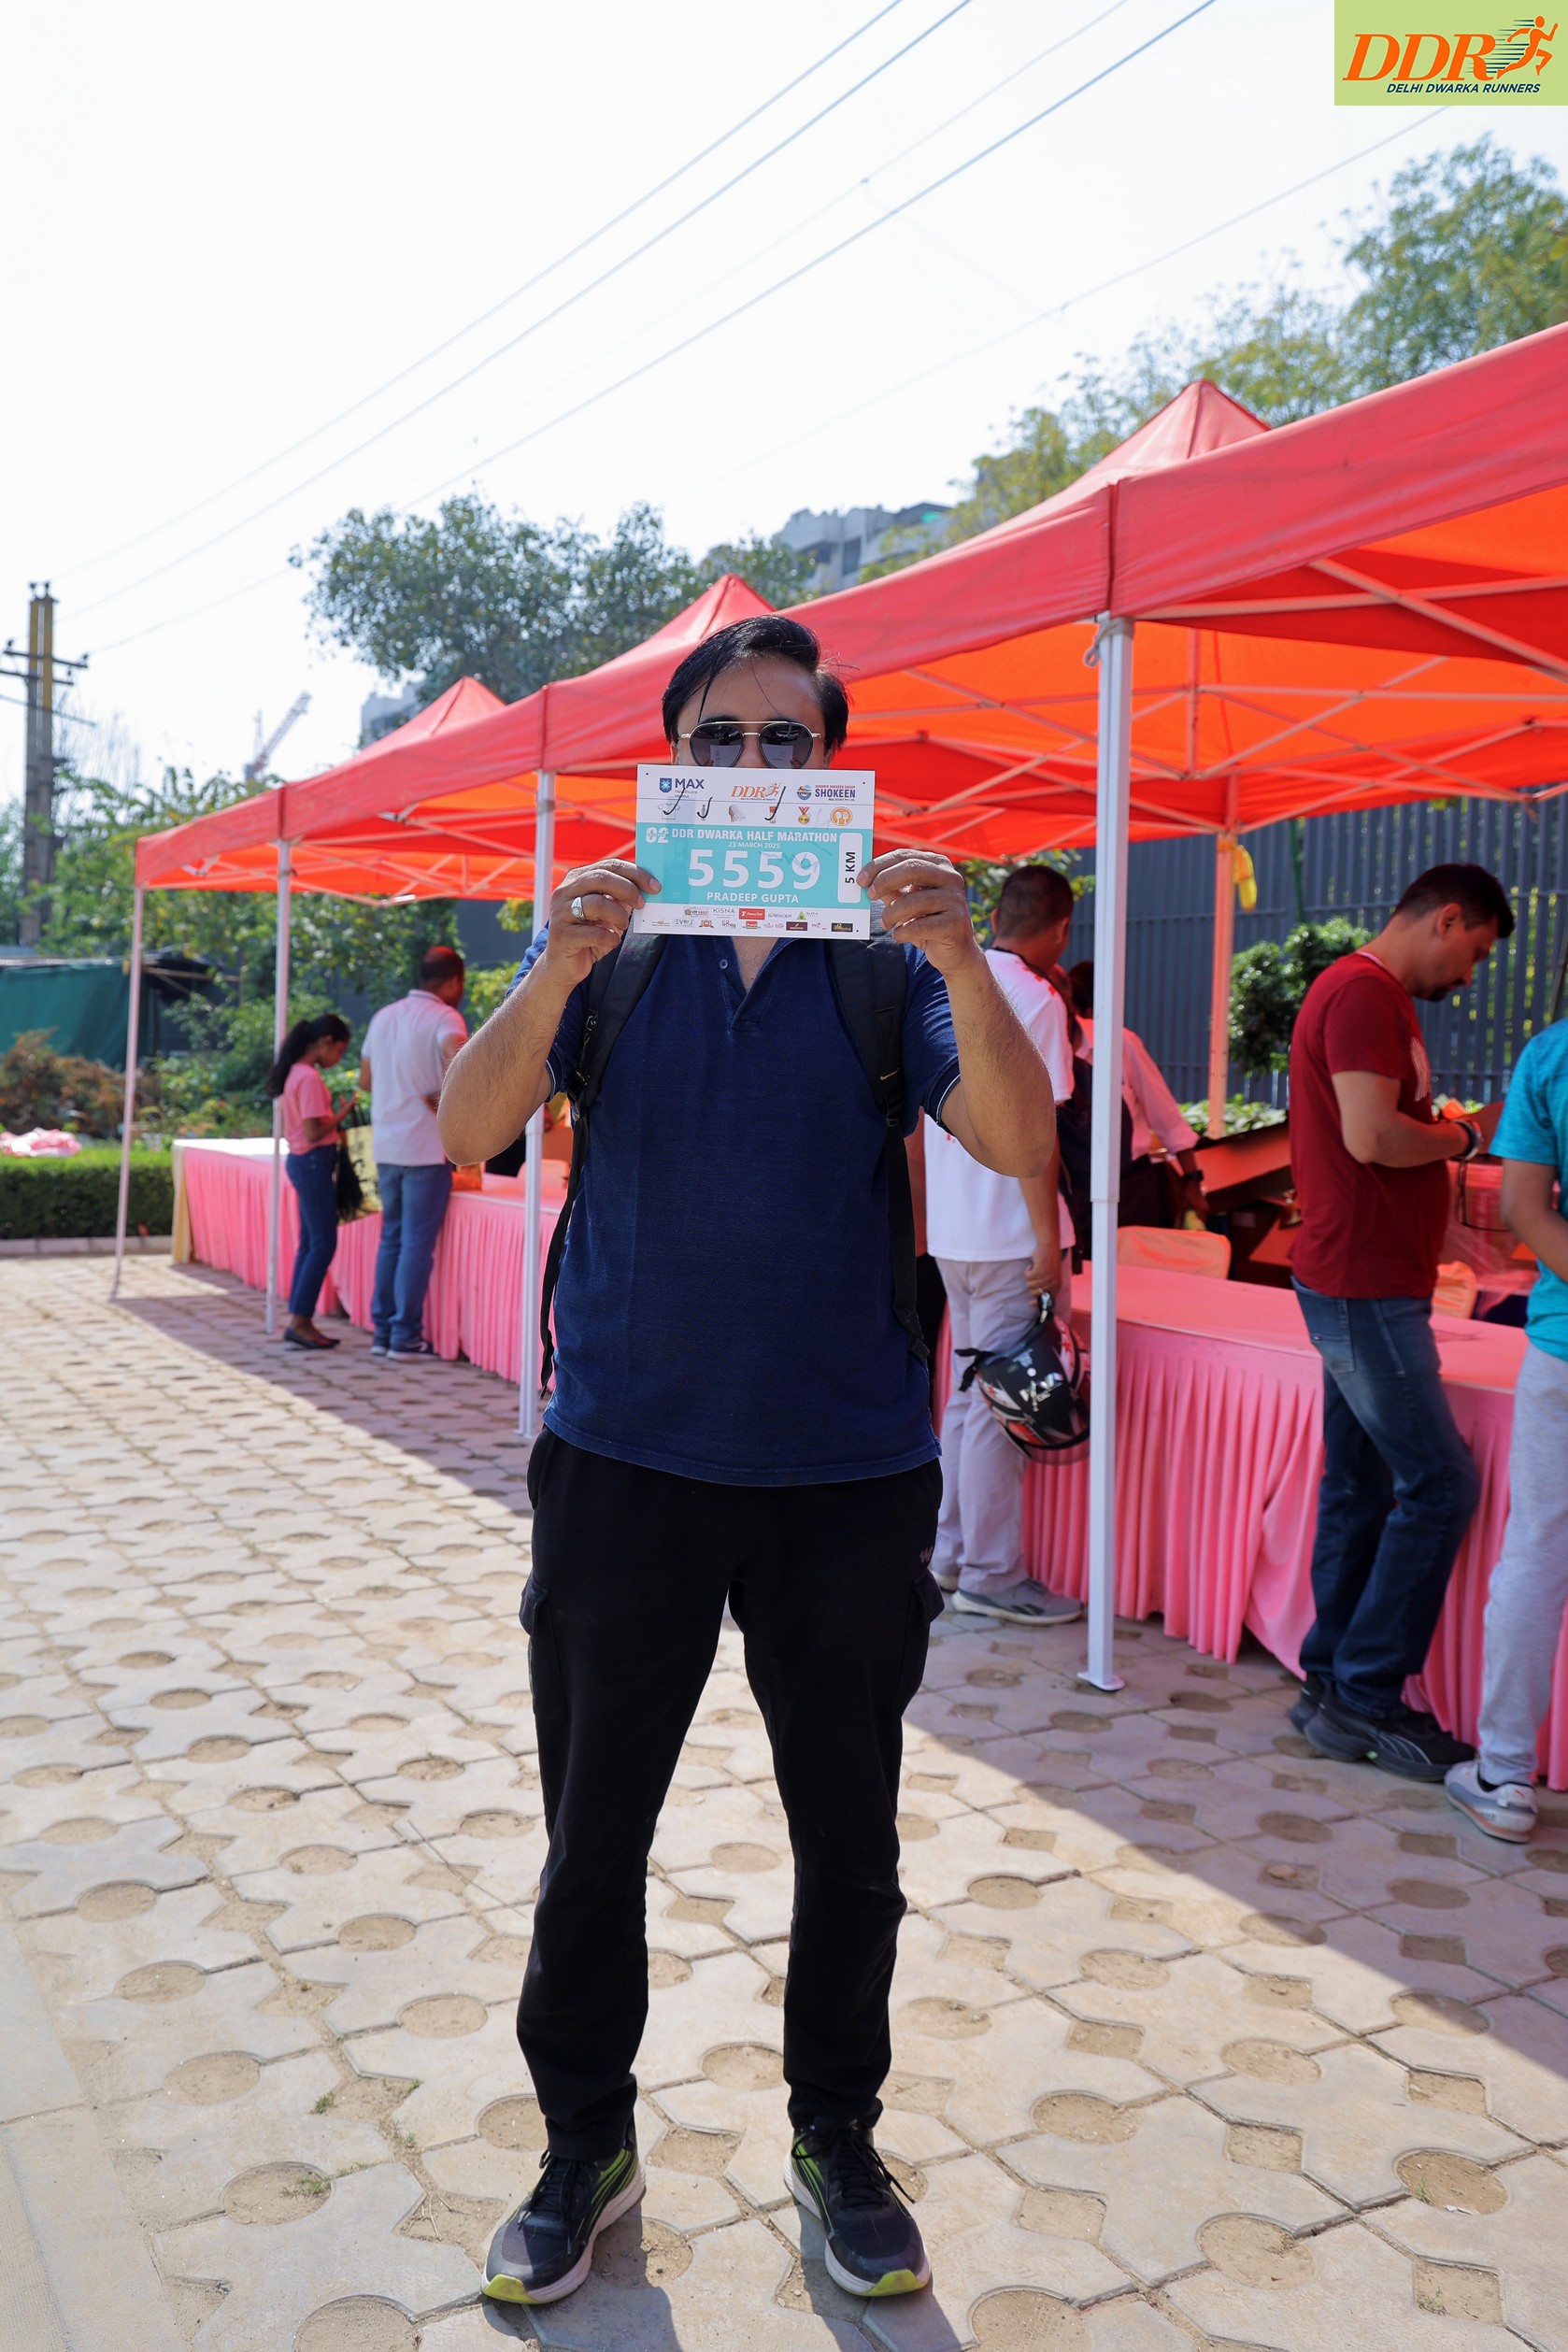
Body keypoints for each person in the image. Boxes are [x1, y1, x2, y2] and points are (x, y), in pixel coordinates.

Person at [437, 613, 1056, 2309]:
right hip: (624, 1458)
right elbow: (468, 1129)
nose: (755, 767)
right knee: (592, 1836)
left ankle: (835, 2135)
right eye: (721, 738)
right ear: (674, 760)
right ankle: (583, 2143)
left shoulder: (883, 962)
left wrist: (961, 959)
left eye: (789, 741)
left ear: (832, 770)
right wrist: (554, 964)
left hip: (843, 1471)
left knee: (848, 1839)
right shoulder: (612, 947)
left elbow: (1016, 1139)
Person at [1287, 862, 1513, 1781]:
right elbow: (1372, 1136)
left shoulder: (1368, 994)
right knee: (1440, 1486)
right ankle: (1366, 1693)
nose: (1470, 974)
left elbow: (1375, 1138)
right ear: (1446, 919)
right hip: (1363, 1284)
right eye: (1476, 951)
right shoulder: (1364, 993)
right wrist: (1469, 1134)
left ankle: (1330, 1684)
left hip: (1366, 1279)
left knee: (1360, 1486)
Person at [925, 864, 1082, 1628]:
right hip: (1009, 1233)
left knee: (968, 1398)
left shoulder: (946, 982)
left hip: (956, 1230)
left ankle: (954, 1554)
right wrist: (1048, 1239)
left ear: (994, 917)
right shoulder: (1037, 999)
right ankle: (990, 1571)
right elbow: (1037, 1134)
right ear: (1061, 931)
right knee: (997, 1407)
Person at [1446, 1019, 1568, 1843]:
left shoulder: (1553, 1054)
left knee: (1537, 1551)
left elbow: (1523, 1205)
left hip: (1564, 1348)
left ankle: (1504, 1777)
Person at [360, 945, 467, 1361]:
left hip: (387, 1145)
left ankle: (383, 1331)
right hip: (424, 1148)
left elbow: (366, 1081)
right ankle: (405, 1334)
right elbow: (463, 1073)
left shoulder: (383, 1017)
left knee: (392, 1239)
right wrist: (441, 1096)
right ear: (454, 981)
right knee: (415, 1245)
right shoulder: (446, 1018)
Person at [1065, 959, 1206, 1229]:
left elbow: (1166, 1117)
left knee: (1131, 1255)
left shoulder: (1119, 1042)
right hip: (1071, 1192)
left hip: (1130, 1188)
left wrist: (1192, 1180)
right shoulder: (1039, 1048)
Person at [266, 1012, 353, 1352]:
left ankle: (300, 1318)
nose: (338, 1060)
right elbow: (314, 1130)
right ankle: (300, 1320)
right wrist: (341, 1115)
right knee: (322, 1243)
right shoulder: (309, 1078)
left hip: (304, 1162)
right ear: (326, 1042)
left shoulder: (296, 1073)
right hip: (313, 1161)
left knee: (310, 1243)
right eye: (339, 1051)